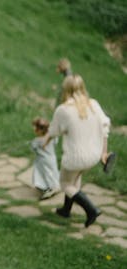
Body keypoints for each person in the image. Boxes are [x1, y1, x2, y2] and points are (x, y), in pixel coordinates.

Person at [45, 74, 111, 227]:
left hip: (75, 158)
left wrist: (45, 141)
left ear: (65, 90)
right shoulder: (93, 104)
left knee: (65, 183)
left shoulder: (63, 110)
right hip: (94, 155)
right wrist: (104, 152)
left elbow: (53, 131)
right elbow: (105, 127)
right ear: (83, 88)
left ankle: (91, 209)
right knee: (74, 179)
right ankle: (66, 210)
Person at [30, 117, 60, 200]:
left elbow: (33, 148)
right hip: (52, 159)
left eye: (36, 129)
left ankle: (50, 188)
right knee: (52, 171)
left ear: (40, 130)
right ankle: (55, 185)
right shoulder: (52, 138)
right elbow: (56, 141)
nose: (34, 130)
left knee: (46, 174)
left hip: (43, 162)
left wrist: (31, 144)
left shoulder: (37, 141)